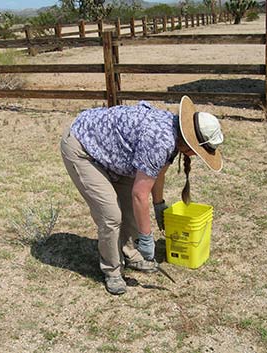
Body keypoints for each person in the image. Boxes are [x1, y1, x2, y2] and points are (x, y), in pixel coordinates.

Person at [60, 96, 224, 295]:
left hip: (115, 154)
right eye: (198, 152)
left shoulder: (173, 133)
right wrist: (146, 237)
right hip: (82, 147)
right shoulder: (160, 141)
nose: (196, 155)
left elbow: (157, 172)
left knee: (130, 208)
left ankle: (131, 254)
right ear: (189, 143)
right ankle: (112, 270)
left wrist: (158, 204)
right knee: (111, 215)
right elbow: (140, 194)